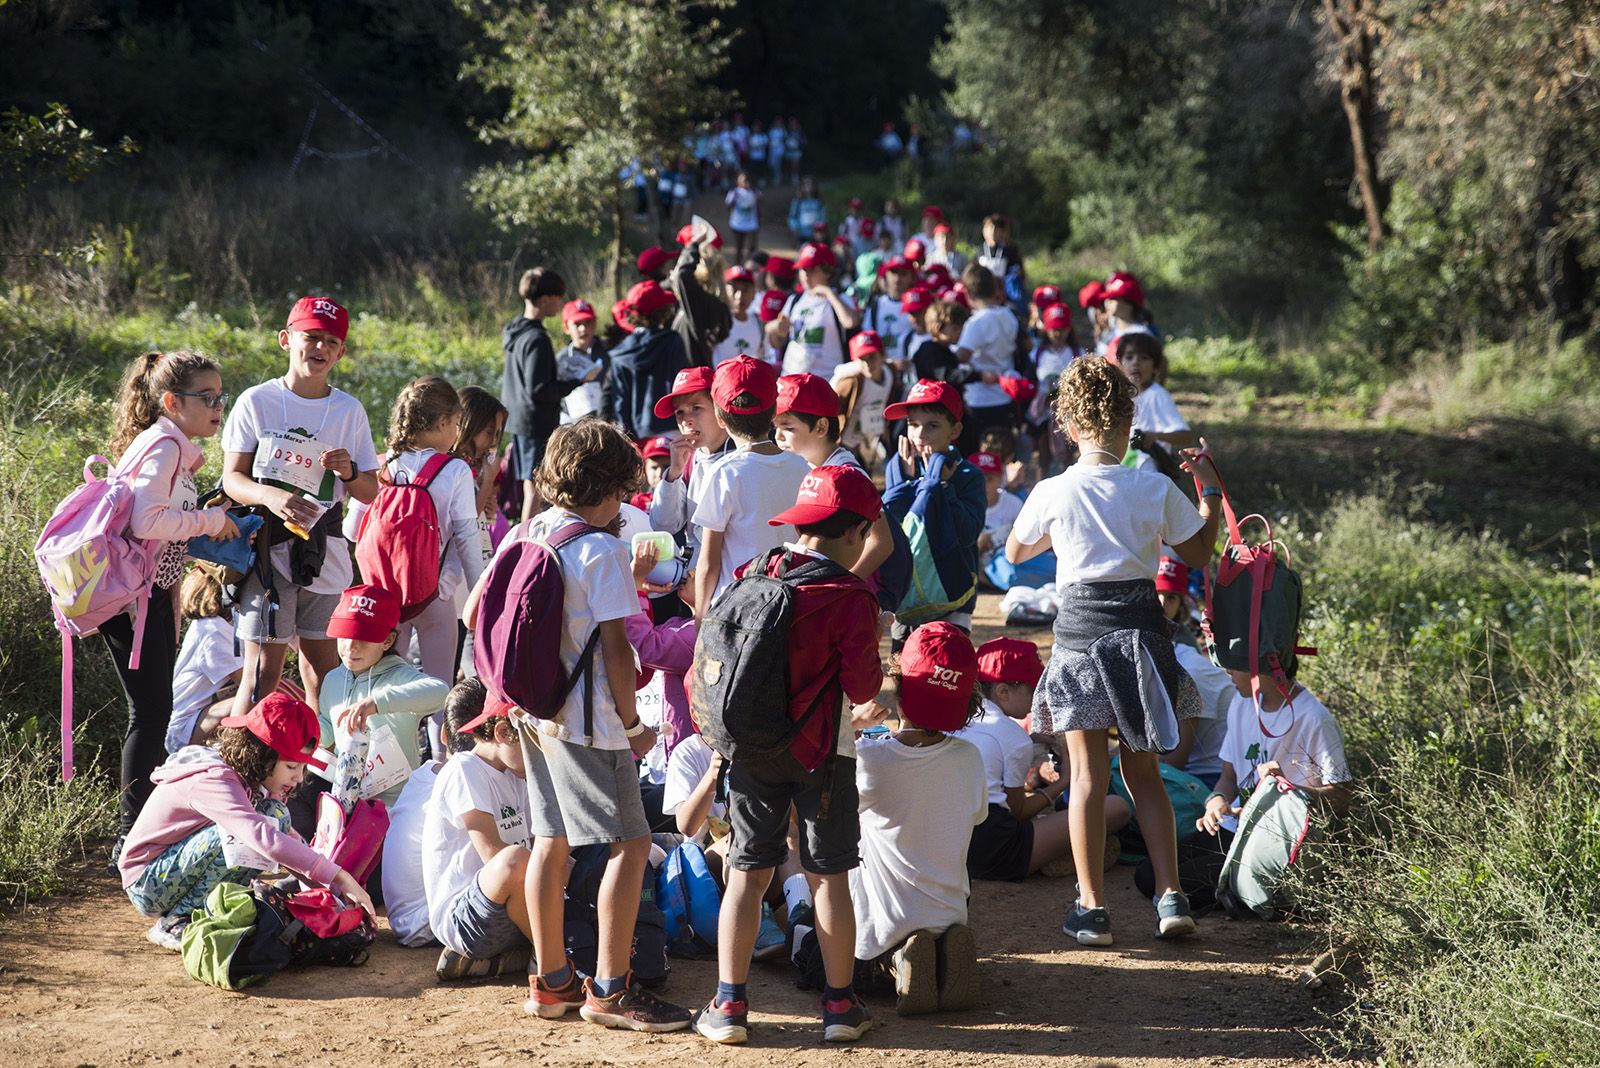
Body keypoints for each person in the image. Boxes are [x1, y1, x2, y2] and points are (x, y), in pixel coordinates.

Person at [467, 420, 690, 1030]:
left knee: (550, 842)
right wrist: (633, 723)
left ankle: (553, 981)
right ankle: (611, 990)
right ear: (610, 486)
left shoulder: (529, 530)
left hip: (534, 714)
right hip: (590, 724)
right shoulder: (601, 549)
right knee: (632, 843)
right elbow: (619, 651)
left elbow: (472, 611)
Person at [1005, 356, 1224, 946]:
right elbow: (1199, 553)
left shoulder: (1053, 489)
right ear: (1130, 425)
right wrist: (1206, 491)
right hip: (1143, 639)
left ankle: (1092, 908)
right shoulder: (1153, 485)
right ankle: (1172, 898)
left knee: (1085, 779)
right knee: (1145, 775)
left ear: (1067, 428)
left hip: (1080, 638)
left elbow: (1016, 553)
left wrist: (1062, 531)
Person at [691, 465, 889, 1046]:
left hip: (751, 749)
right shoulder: (848, 595)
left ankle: (728, 1006)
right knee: (828, 877)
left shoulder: (752, 574)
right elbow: (864, 688)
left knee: (748, 874)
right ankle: (840, 1007)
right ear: (854, 531)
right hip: (822, 753)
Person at [220, 297, 379, 775]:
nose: (320, 347)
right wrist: (271, 498)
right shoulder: (257, 400)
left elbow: (370, 490)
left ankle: (314, 772)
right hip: (267, 552)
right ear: (287, 339)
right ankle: (236, 773)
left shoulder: (348, 410)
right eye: (311, 336)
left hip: (325, 551)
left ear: (341, 353)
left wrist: (349, 471)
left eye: (331, 341)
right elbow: (232, 479)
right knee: (263, 672)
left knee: (323, 670)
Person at [100, 351, 242, 854]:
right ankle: (129, 836)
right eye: (207, 398)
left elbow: (162, 527)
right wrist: (207, 522)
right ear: (170, 402)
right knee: (151, 712)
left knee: (155, 711)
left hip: (151, 595)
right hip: (131, 601)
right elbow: (146, 522)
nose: (218, 406)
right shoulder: (162, 446)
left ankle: (141, 829)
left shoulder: (173, 446)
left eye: (220, 396)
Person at [118, 692, 372, 949]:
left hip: (173, 872)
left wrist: (332, 893)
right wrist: (340, 878)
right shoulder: (215, 778)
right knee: (251, 831)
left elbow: (284, 838)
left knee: (276, 816)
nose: (299, 778)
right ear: (262, 755)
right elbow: (262, 837)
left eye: (303, 768)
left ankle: (203, 910)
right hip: (147, 883)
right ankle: (176, 921)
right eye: (292, 767)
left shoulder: (254, 783)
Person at [849, 622, 987, 1016]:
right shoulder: (969, 758)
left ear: (898, 686)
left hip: (884, 923)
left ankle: (894, 960)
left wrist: (853, 728)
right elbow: (976, 817)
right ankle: (943, 952)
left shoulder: (870, 758)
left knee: (812, 947)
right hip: (951, 913)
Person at [1146, 666, 1352, 910]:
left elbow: (1342, 797)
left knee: (1176, 882)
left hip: (1275, 845)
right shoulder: (1242, 703)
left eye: (1235, 664)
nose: (1227, 672)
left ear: (1262, 664)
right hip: (1234, 829)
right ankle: (1237, 893)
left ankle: (1253, 895)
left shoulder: (1313, 716)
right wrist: (1216, 800)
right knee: (1149, 873)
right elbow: (1228, 778)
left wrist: (1288, 789)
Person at [351, 376, 484, 694]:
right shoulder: (455, 470)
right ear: (442, 423)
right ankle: (441, 745)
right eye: (455, 424)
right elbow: (466, 535)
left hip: (383, 594)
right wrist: (481, 591)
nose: (455, 434)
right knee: (440, 688)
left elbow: (353, 531)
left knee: (384, 689)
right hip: (434, 593)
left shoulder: (381, 466)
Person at [423, 681, 537, 981]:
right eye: (534, 744)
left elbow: (540, 845)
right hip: (466, 917)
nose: (541, 755)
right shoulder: (464, 769)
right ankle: (555, 959)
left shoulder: (517, 776)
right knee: (515, 860)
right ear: (501, 733)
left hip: (511, 908)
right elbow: (495, 855)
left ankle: (507, 961)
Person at [690, 356, 813, 608]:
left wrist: (701, 622)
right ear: (774, 411)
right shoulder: (802, 466)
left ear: (720, 419)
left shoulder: (724, 472)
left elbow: (708, 562)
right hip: (788, 605)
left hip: (735, 612)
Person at [316, 583, 450, 812]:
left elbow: (440, 691)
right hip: (347, 800)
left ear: (387, 641)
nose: (351, 647)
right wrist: (306, 731)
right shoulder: (333, 679)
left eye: (363, 638)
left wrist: (378, 703)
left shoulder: (399, 676)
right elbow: (328, 725)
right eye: (344, 636)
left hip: (400, 804)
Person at [882, 379, 986, 637]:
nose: (919, 434)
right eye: (913, 424)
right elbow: (891, 530)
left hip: (952, 597)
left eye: (933, 425)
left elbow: (968, 533)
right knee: (903, 671)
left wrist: (942, 488)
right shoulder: (899, 467)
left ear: (955, 430)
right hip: (906, 600)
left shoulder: (967, 474)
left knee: (947, 671)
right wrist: (905, 486)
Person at [772, 373, 896, 583]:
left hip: (852, 599)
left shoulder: (848, 474)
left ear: (821, 427)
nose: (778, 436)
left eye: (788, 428)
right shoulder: (807, 466)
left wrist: (841, 587)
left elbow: (882, 542)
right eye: (776, 427)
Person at [499, 269, 570, 523]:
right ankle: (526, 541)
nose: (561, 302)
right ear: (544, 300)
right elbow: (539, 389)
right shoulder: (537, 338)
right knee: (535, 488)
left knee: (531, 485)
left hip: (518, 420)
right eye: (557, 296)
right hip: (536, 422)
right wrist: (575, 382)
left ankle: (524, 534)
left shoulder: (515, 330)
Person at [648, 366, 733, 574]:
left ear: (718, 408)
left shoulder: (741, 456)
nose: (686, 420)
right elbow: (664, 526)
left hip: (733, 576)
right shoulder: (688, 461)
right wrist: (673, 474)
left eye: (696, 407)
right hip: (696, 576)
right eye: (680, 413)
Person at [1154, 557, 1231, 786]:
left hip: (1210, 780)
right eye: (1154, 593)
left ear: (1181, 607)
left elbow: (1173, 762)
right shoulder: (1163, 658)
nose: (1161, 603)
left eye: (1171, 597)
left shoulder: (1186, 670)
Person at [165, 564, 243, 755]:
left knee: (272, 691)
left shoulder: (222, 626)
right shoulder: (211, 630)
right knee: (257, 697)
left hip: (203, 716)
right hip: (184, 729)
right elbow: (250, 682)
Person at [951, 264, 1022, 456]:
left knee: (981, 456)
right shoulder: (1008, 315)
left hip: (980, 399)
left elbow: (960, 357)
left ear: (967, 293)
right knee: (1004, 455)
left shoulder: (976, 322)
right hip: (1006, 395)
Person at [608, 280, 691, 441]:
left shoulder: (620, 353)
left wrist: (624, 439)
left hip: (637, 433)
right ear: (663, 311)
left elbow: (620, 402)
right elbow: (682, 386)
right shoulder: (673, 341)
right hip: (674, 427)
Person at [772, 243, 860, 380]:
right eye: (803, 269)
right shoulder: (794, 300)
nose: (806, 275)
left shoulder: (841, 298)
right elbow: (778, 339)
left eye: (812, 269)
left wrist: (828, 292)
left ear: (828, 272)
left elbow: (850, 322)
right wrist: (774, 328)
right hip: (793, 379)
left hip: (826, 380)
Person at [1115, 332, 1197, 468]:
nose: (1136, 362)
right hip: (1124, 469)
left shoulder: (1157, 395)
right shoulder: (1120, 396)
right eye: (1129, 357)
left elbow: (1185, 435)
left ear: (1156, 367)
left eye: (1144, 358)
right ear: (1120, 364)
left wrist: (1156, 436)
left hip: (1148, 470)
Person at [1030, 302, 1083, 478]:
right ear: (1046, 328)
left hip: (1068, 409)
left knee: (1067, 451)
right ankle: (1041, 484)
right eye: (1053, 328)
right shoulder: (1038, 353)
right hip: (1044, 411)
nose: (1058, 333)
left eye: (1062, 328)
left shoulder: (1076, 352)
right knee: (1043, 452)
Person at [829, 331, 893, 471]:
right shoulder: (852, 382)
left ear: (883, 355)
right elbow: (830, 408)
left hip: (865, 435)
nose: (868, 363)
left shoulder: (889, 374)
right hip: (843, 440)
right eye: (862, 359)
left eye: (872, 356)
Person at [667, 232, 732, 367]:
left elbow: (682, 276)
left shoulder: (699, 302)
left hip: (688, 376)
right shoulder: (720, 306)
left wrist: (693, 246)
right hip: (699, 374)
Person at [556, 300, 610, 425]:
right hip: (573, 425)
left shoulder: (607, 352)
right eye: (577, 324)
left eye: (588, 322)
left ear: (595, 323)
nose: (583, 328)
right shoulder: (561, 360)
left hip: (606, 422)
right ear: (566, 327)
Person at [713, 266, 764, 367]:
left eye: (745, 290)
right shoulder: (715, 321)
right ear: (725, 291)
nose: (739, 296)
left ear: (754, 294)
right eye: (734, 289)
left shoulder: (759, 325)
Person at [724, 171, 761, 263]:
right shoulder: (734, 192)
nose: (744, 182)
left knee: (752, 246)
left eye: (745, 180)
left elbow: (761, 202)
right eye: (742, 180)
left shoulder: (754, 192)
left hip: (751, 223)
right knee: (738, 247)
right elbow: (728, 205)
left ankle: (751, 264)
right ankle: (737, 265)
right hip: (737, 223)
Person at [787, 176, 826, 247]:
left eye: (811, 185)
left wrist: (821, 228)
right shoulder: (798, 201)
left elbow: (822, 216)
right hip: (802, 233)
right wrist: (794, 226)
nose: (809, 187)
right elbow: (792, 216)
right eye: (807, 185)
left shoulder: (819, 201)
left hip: (815, 234)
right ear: (802, 187)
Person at [785, 117, 805, 184]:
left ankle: (795, 177)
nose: (792, 125)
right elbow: (784, 140)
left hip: (796, 151)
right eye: (791, 124)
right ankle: (791, 177)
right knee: (790, 165)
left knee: (795, 164)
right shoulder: (787, 132)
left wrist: (799, 141)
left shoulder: (800, 132)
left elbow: (804, 141)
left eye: (794, 124)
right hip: (789, 151)